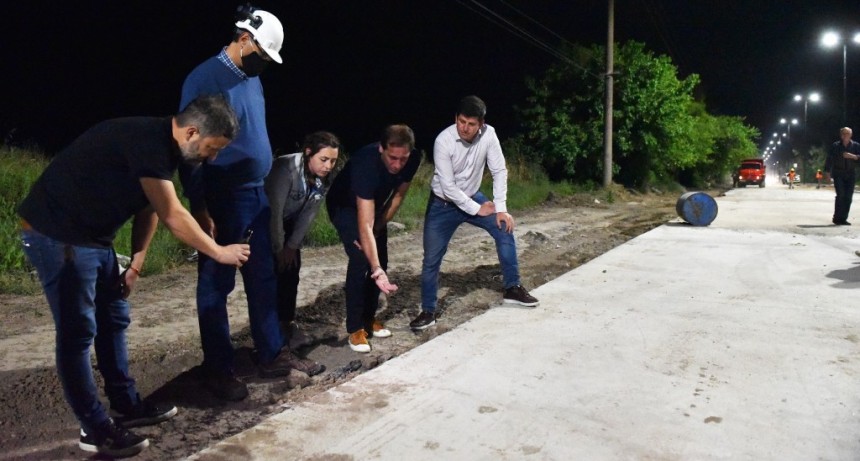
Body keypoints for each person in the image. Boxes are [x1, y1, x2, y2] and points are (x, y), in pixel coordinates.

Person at [17, 95, 249, 457]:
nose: (213, 157)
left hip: (94, 239)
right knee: (78, 332)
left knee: (113, 318)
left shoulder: (168, 149)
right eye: (212, 148)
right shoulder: (148, 141)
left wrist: (136, 264)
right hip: (57, 235)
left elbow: (151, 208)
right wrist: (219, 252)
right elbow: (173, 214)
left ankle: (126, 405)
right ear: (192, 132)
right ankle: (95, 429)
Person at [179, 5, 322, 402]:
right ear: (244, 39)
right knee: (216, 284)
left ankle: (272, 352)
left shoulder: (251, 77)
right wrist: (200, 206)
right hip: (223, 197)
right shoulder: (205, 78)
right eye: (262, 55)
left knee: (263, 277)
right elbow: (190, 147)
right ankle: (218, 368)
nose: (265, 64)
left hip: (256, 193)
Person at [410, 95, 539, 331]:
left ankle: (512, 288)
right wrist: (477, 209)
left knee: (504, 226)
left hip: (472, 195)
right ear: (455, 118)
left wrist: (501, 209)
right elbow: (448, 187)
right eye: (461, 122)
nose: (465, 128)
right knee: (431, 259)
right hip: (443, 204)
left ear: (481, 124)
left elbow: (499, 170)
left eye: (471, 124)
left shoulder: (489, 135)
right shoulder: (443, 141)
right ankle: (428, 311)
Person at [326, 125, 421, 352]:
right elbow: (364, 225)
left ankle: (369, 318)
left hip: (375, 205)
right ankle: (355, 328)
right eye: (392, 158)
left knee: (381, 257)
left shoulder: (413, 158)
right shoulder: (366, 164)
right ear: (381, 149)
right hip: (344, 205)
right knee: (361, 258)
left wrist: (379, 227)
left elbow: (397, 196)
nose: (397, 165)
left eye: (403, 159)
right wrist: (374, 266)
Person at [264, 131, 340, 354]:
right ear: (308, 153)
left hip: (289, 223)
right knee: (270, 275)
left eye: (333, 161)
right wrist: (279, 248)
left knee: (292, 268)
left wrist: (292, 246)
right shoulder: (285, 169)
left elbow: (308, 214)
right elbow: (274, 212)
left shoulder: (322, 177)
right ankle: (268, 332)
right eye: (323, 159)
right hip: (265, 222)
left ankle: (286, 323)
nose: (328, 166)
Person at [824, 127, 860, 225]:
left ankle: (843, 219)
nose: (845, 135)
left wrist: (853, 156)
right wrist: (827, 173)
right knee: (841, 195)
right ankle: (837, 218)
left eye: (847, 133)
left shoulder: (856, 146)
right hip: (838, 173)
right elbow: (829, 159)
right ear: (841, 135)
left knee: (848, 197)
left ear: (851, 135)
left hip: (851, 174)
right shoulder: (836, 146)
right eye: (843, 133)